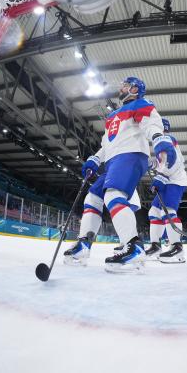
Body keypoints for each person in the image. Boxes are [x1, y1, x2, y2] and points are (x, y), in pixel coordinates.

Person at [62, 77, 176, 273]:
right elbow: (107, 144)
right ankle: (83, 245)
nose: (121, 88)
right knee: (93, 197)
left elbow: (151, 124)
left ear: (134, 89)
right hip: (113, 160)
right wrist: (95, 159)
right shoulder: (113, 116)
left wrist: (159, 140)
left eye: (125, 85)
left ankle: (134, 247)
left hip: (131, 155)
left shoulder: (141, 103)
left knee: (113, 195)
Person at [146, 118, 187, 263]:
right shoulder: (161, 140)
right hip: (168, 179)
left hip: (174, 180)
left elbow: (173, 160)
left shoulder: (166, 138)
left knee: (168, 210)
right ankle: (156, 246)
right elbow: (162, 162)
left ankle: (177, 248)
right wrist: (152, 165)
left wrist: (161, 177)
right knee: (153, 212)